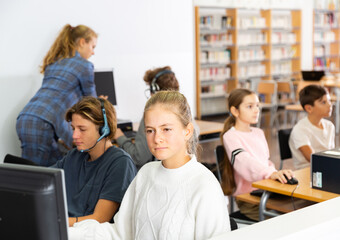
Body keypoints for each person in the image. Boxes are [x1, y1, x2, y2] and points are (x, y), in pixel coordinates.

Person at [69, 91, 230, 240]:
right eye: (150, 131)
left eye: (166, 129)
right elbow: (121, 232)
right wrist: (66, 232)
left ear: (187, 131)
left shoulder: (204, 185)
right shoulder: (146, 174)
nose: (157, 138)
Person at [16, 24, 99, 166]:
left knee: (41, 172)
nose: (93, 53)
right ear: (82, 42)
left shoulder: (55, 63)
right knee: (44, 178)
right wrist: (102, 104)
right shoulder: (85, 66)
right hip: (43, 123)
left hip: (25, 118)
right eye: (93, 46)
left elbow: (57, 100)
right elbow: (92, 104)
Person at [51, 96, 136, 227]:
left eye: (82, 129)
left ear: (104, 130)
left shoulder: (120, 163)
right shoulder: (74, 156)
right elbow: (43, 179)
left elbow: (99, 219)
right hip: (67, 229)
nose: (74, 136)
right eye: (73, 128)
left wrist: (56, 222)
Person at [221, 88, 294, 221]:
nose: (256, 110)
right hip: (249, 197)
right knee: (285, 219)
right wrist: (269, 173)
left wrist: (276, 174)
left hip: (267, 190)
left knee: (296, 209)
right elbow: (244, 162)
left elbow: (265, 162)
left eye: (257, 106)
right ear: (235, 111)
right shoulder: (231, 136)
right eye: (249, 106)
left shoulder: (258, 132)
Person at [114, 66, 179, 169]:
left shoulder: (152, 117)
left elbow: (139, 158)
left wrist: (120, 137)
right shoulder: (183, 110)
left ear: (155, 90)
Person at [289, 85, 335, 170]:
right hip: (306, 173)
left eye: (329, 100)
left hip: (326, 169)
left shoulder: (330, 126)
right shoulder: (300, 129)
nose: (330, 105)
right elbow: (313, 159)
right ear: (309, 108)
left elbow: (331, 155)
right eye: (323, 102)